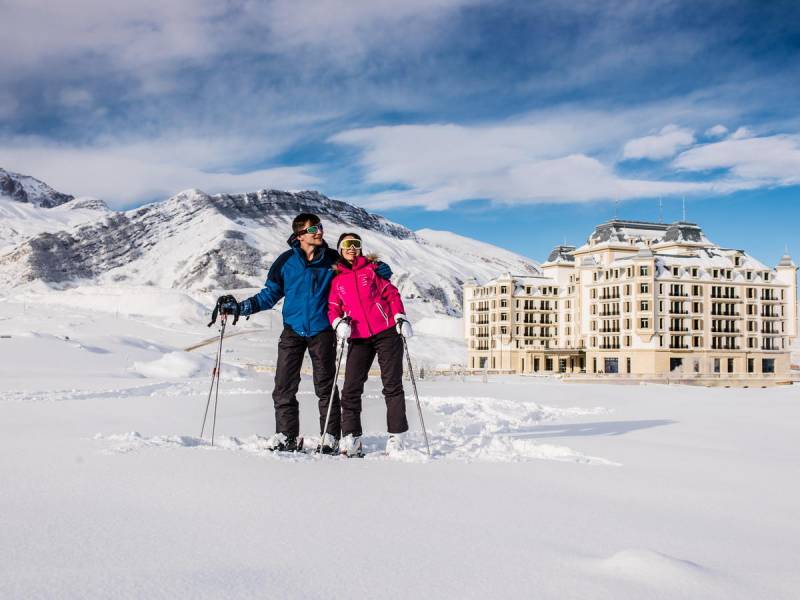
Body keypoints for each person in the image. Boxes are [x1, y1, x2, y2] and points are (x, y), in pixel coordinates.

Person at [213, 214, 393, 453]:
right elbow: (269, 296)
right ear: (299, 235)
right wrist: (239, 308)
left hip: (322, 331)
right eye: (313, 229)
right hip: (292, 330)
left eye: (320, 227)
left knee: (325, 386)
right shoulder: (286, 262)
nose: (319, 232)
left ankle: (330, 437)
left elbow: (360, 269)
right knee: (283, 386)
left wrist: (381, 268)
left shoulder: (331, 259)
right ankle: (286, 436)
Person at [327, 233, 414, 457]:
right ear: (339, 248)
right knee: (350, 389)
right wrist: (337, 323)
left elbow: (391, 294)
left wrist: (399, 317)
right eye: (347, 244)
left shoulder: (372, 270)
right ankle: (352, 437)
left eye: (356, 244)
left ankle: (397, 437)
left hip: (386, 333)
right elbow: (333, 307)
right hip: (358, 338)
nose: (352, 248)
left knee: (392, 384)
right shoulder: (337, 281)